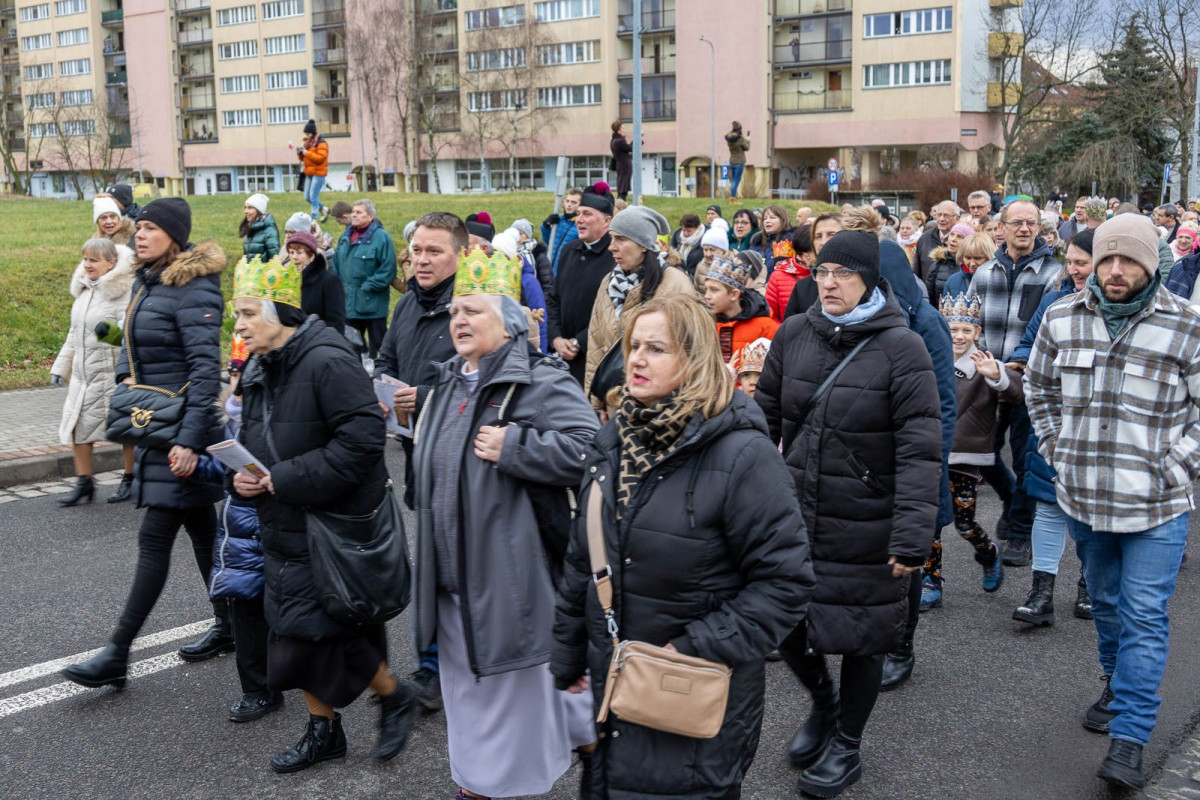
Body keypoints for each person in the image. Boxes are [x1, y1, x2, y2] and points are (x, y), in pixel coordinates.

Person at [552, 294, 815, 800]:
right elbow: (583, 558)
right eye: (633, 346)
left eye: (656, 348)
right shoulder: (616, 438)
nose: (636, 359)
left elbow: (785, 583)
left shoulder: (743, 455)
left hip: (689, 695)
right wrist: (566, 655)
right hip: (614, 689)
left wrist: (690, 649)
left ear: (693, 359)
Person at [756, 230, 941, 797]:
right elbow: (762, 422)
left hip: (867, 516)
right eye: (822, 272)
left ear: (869, 279)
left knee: (862, 634)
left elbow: (920, 446)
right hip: (793, 511)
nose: (829, 283)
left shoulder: (901, 346)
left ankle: (847, 746)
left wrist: (913, 534)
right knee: (784, 620)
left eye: (842, 273)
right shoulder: (794, 332)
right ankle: (822, 700)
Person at [413, 246, 599, 798]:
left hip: (511, 582)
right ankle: (586, 741)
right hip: (449, 581)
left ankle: (492, 787)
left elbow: (592, 451)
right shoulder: (448, 381)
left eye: (472, 310)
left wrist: (517, 445)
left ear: (511, 324)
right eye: (453, 313)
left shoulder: (539, 381)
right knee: (475, 694)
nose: (458, 321)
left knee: (505, 697)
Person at [1025, 213, 1200, 791]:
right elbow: (1039, 386)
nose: (1116, 270)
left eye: (1129, 260)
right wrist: (1057, 450)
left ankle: (1129, 739)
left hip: (1157, 506)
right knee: (1104, 603)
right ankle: (1114, 680)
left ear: (1151, 264)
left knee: (1144, 616)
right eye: (1107, 259)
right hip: (1085, 499)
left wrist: (1171, 465)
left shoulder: (1185, 326)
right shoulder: (1062, 317)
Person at [229, 255, 415, 773]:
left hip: (328, 525)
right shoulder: (263, 363)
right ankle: (328, 730)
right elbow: (252, 437)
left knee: (317, 633)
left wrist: (281, 480)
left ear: (282, 313)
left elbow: (361, 443)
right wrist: (241, 476)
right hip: (285, 518)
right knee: (300, 632)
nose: (238, 325)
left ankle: (393, 695)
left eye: (247, 313)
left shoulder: (327, 361)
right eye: (236, 313)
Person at [62, 198, 230, 689]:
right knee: (205, 535)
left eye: (152, 228)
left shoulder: (195, 287)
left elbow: (204, 371)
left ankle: (117, 652)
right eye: (141, 226)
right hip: (157, 427)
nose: (140, 234)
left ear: (174, 237)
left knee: (155, 538)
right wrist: (124, 378)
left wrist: (192, 441)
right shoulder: (147, 280)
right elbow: (132, 344)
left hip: (183, 434)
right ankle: (233, 625)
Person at [1010, 228, 1096, 627]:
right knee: (1047, 506)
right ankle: (1041, 593)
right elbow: (1030, 345)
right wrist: (1015, 362)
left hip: (1101, 429)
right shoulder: (1054, 300)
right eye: (1071, 262)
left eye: (1083, 262)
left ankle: (1089, 586)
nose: (1074, 270)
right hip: (1054, 421)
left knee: (1092, 515)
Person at [968, 199, 1060, 567]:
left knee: (1026, 459)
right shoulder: (985, 273)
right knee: (981, 452)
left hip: (1030, 381)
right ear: (1001, 227)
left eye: (1031, 223)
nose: (1024, 229)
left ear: (1040, 228)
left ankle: (1020, 532)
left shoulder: (1054, 275)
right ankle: (1010, 498)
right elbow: (969, 326)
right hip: (988, 378)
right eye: (1017, 222)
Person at [191, 363, 280, 723]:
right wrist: (198, 465)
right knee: (246, 610)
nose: (234, 389)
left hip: (264, 527)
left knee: (274, 612)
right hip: (241, 536)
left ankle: (275, 686)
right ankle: (259, 689)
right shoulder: (234, 422)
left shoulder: (269, 422)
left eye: (239, 382)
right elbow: (225, 470)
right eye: (233, 381)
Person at [935, 292, 1020, 597]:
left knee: (964, 524)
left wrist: (997, 375)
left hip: (967, 459)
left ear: (977, 333)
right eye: (952, 329)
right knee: (930, 524)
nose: (958, 336)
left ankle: (988, 553)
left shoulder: (984, 364)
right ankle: (931, 582)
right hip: (934, 455)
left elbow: (1017, 394)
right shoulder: (932, 357)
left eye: (966, 330)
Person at [51, 237, 137, 506]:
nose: (87, 265)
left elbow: (131, 337)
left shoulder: (124, 292)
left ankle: (130, 480)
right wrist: (60, 367)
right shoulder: (84, 293)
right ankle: (84, 483)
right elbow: (74, 334)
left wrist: (109, 335)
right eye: (85, 259)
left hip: (112, 376)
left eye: (94, 260)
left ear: (111, 263)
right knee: (78, 428)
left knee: (125, 430)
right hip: (83, 377)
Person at [583, 205, 693, 412]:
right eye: (612, 238)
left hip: (661, 410)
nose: (611, 247)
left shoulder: (676, 284)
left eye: (621, 239)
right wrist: (595, 405)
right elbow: (595, 346)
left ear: (643, 245)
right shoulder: (608, 283)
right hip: (613, 407)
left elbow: (689, 351)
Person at [548, 183, 617, 386]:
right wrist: (556, 338)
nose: (579, 220)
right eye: (578, 214)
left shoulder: (615, 257)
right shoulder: (570, 250)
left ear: (606, 221)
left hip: (595, 360)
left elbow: (612, 313)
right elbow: (554, 298)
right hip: (562, 357)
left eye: (587, 214)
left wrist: (580, 342)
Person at [331, 199, 396, 362]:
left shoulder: (381, 237)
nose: (354, 214)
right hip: (349, 306)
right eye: (353, 211)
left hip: (373, 306)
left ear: (371, 216)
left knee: (379, 349)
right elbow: (336, 265)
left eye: (359, 212)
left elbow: (388, 269)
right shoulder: (345, 237)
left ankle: (381, 382)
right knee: (352, 348)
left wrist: (368, 286)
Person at [705, 253, 778, 364]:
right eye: (706, 289)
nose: (707, 296)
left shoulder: (765, 327)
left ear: (734, 295)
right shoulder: (705, 324)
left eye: (714, 290)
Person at [782, 212, 844, 319]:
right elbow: (790, 330)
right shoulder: (802, 288)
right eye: (818, 236)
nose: (823, 242)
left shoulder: (860, 281)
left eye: (831, 234)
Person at [285, 231, 345, 334]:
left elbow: (336, 324)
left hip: (318, 343)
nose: (294, 257)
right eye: (291, 252)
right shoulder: (287, 281)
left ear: (311, 255)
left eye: (299, 252)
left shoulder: (329, 281)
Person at [765, 224, 812, 322]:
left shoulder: (828, 274)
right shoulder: (779, 276)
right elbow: (771, 315)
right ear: (805, 252)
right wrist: (785, 333)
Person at [926, 222, 973, 304]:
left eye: (960, 237)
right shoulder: (937, 264)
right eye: (952, 234)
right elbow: (930, 297)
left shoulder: (972, 266)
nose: (953, 239)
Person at [541, 187, 582, 277]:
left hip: (567, 272)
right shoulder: (558, 220)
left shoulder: (581, 224)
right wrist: (546, 226)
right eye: (567, 201)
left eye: (574, 202)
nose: (569, 204)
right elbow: (550, 242)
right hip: (551, 269)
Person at [916, 201, 960, 281]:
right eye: (939, 215)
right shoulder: (925, 238)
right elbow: (917, 272)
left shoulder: (964, 240)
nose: (941, 219)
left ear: (957, 218)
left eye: (946, 215)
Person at [297, 119, 329, 220]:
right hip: (309, 173)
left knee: (313, 196)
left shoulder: (321, 143)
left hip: (319, 173)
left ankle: (314, 218)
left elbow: (320, 158)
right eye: (305, 134)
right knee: (307, 197)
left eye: (308, 134)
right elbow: (304, 159)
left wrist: (307, 153)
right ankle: (323, 208)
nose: (306, 136)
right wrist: (300, 153)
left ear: (313, 133)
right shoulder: (307, 144)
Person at [240, 193, 279, 261]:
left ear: (259, 210)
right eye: (245, 207)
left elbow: (274, 258)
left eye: (250, 208)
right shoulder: (250, 229)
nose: (246, 211)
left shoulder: (269, 230)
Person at [725, 121, 750, 202]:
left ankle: (733, 197)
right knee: (736, 180)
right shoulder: (740, 139)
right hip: (739, 162)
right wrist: (748, 140)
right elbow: (747, 148)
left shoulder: (729, 139)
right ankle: (732, 198)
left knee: (733, 180)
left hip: (732, 161)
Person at [610, 120, 633, 201]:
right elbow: (630, 148)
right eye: (623, 128)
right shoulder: (620, 141)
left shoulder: (613, 140)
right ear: (618, 130)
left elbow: (627, 148)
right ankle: (621, 204)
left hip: (620, 165)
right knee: (624, 187)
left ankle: (620, 203)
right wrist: (638, 138)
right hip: (624, 166)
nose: (625, 130)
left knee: (622, 185)